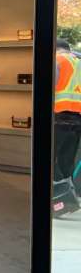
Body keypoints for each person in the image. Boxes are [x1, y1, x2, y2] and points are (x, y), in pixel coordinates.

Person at [54, 38, 81, 187]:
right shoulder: (78, 62)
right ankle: (66, 191)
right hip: (77, 118)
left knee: (50, 158)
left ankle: (53, 189)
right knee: (68, 158)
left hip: (58, 116)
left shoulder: (57, 60)